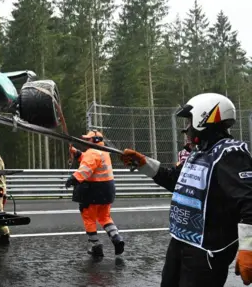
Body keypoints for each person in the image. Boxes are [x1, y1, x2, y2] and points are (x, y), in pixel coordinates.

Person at [121, 93, 252, 287]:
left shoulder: (230, 154)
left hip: (206, 251)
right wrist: (144, 163)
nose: (187, 128)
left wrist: (248, 248)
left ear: (204, 118)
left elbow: (249, 201)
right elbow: (176, 180)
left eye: (190, 121)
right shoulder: (199, 154)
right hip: (182, 242)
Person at [66, 130, 124, 258]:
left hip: (93, 190)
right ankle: (116, 238)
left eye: (88, 139)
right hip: (107, 190)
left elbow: (86, 168)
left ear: (95, 141)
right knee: (105, 217)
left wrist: (73, 179)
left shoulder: (92, 152)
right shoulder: (103, 151)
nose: (86, 141)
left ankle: (96, 246)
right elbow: (88, 160)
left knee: (89, 218)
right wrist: (76, 153)